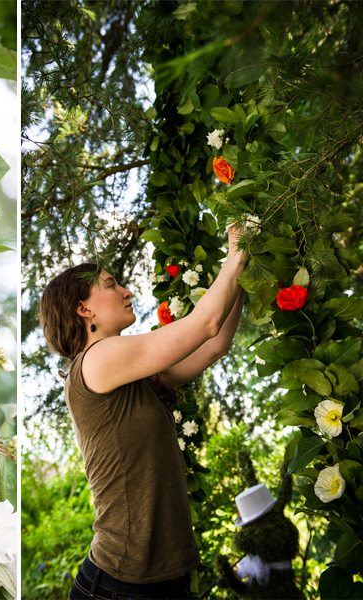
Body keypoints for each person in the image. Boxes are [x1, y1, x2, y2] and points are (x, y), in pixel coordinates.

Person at [38, 225, 247, 600]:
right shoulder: (96, 360)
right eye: (111, 284)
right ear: (84, 309)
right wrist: (237, 252)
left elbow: (214, 344)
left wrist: (243, 276)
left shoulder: (131, 377)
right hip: (122, 585)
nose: (126, 290)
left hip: (164, 578)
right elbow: (205, 323)